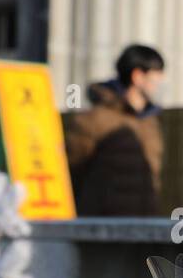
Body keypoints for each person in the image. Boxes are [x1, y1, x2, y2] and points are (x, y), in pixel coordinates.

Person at [64, 44, 166, 216]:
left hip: (143, 227)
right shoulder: (93, 120)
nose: (161, 82)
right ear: (138, 76)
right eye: (157, 75)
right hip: (101, 230)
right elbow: (70, 173)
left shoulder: (150, 123)